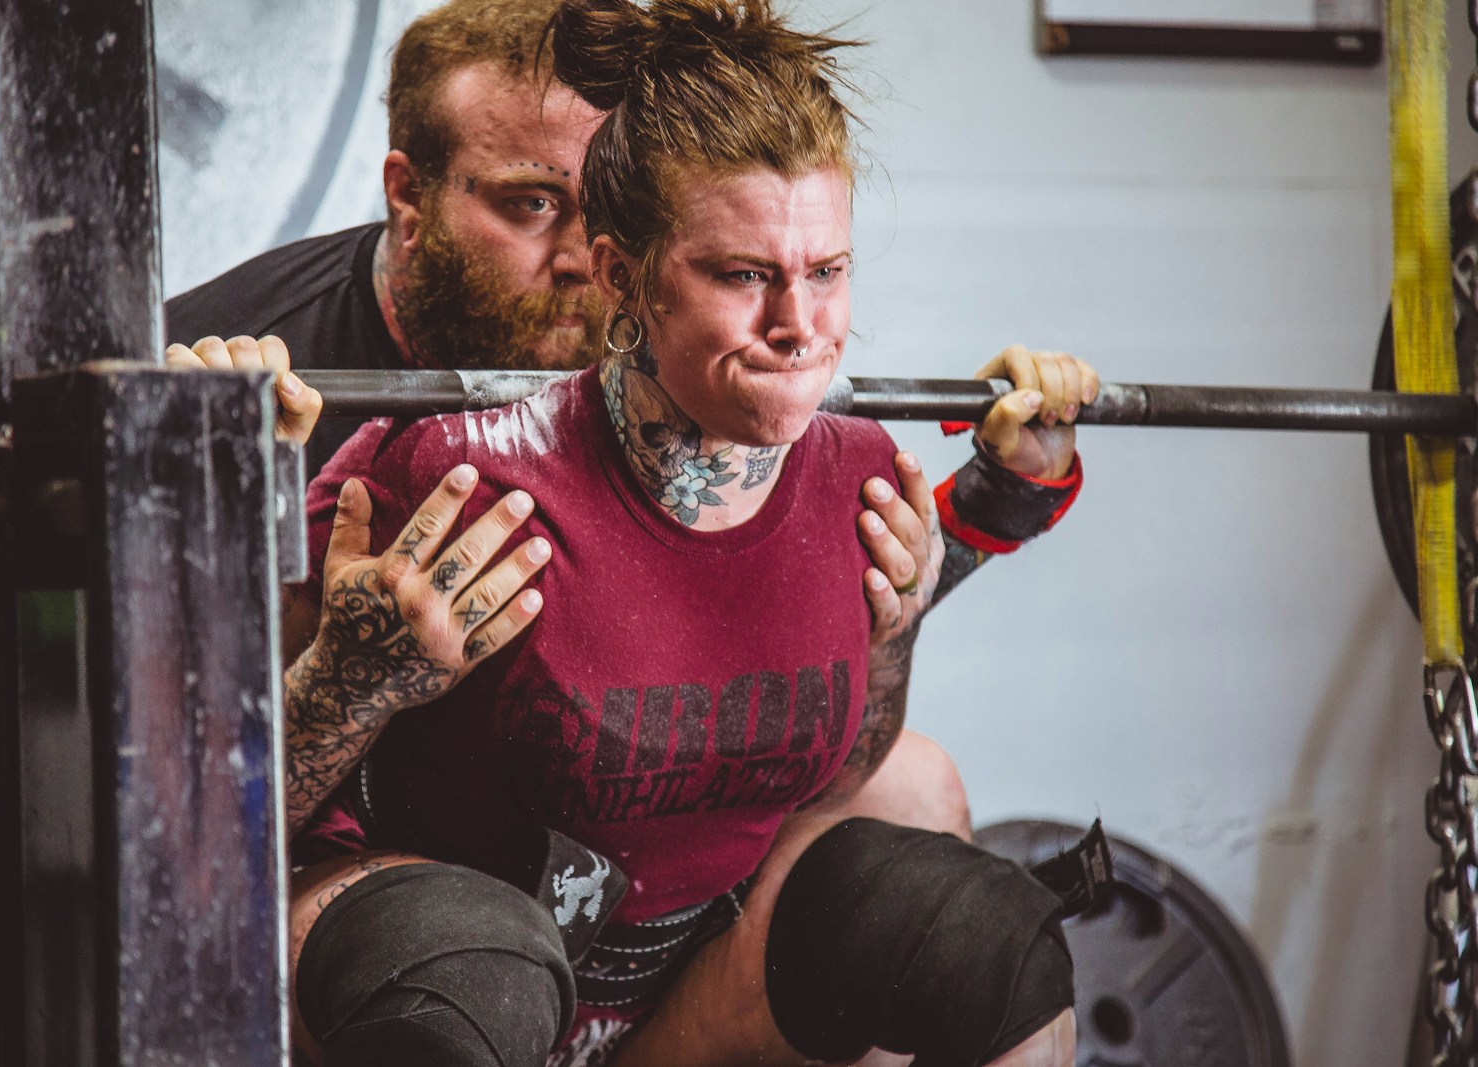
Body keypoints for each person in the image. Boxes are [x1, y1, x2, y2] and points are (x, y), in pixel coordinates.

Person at [276, 2, 1097, 1065]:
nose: (800, 327)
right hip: (453, 952)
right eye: (743, 275)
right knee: (472, 968)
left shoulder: (854, 471)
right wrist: (355, 677)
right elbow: (204, 799)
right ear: (623, 274)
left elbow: (837, 765)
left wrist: (895, 627)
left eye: (828, 270)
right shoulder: (449, 472)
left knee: (979, 940)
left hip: (681, 968)